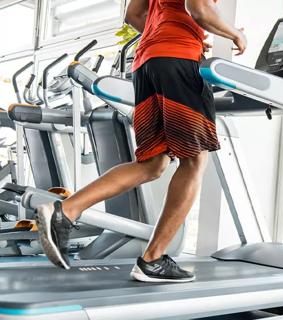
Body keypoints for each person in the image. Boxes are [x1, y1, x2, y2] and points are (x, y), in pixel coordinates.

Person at [35, 0, 247, 283]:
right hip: (178, 61)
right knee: (195, 160)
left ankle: (66, 211)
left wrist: (175, 34)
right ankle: (153, 259)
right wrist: (235, 34)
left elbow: (134, 14)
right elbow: (200, 10)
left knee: (152, 164)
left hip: (146, 62)